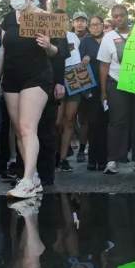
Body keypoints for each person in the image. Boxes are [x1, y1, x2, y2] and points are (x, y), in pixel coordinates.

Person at [0, 0, 65, 198]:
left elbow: (59, 52)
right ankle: (32, 176)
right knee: (18, 129)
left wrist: (49, 46)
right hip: (11, 77)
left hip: (36, 76)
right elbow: (3, 51)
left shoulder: (45, 18)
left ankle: (27, 179)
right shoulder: (8, 18)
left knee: (28, 127)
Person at [98, 4, 135, 174]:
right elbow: (104, 65)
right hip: (116, 82)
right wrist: (104, 91)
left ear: (128, 15)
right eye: (115, 16)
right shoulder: (108, 38)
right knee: (117, 121)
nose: (118, 19)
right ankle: (114, 159)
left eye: (121, 15)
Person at [80, 14, 108, 170]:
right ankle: (92, 158)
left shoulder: (108, 39)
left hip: (108, 85)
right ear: (89, 28)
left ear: (103, 25)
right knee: (93, 123)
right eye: (92, 25)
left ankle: (103, 158)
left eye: (98, 24)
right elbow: (78, 64)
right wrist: (84, 59)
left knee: (105, 123)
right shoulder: (85, 42)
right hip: (90, 86)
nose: (96, 27)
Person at [56, 12, 83, 173]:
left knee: (70, 120)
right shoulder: (49, 36)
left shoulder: (74, 37)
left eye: (64, 19)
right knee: (57, 122)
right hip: (58, 77)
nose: (61, 22)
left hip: (75, 76)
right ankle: (54, 152)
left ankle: (63, 159)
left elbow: (78, 56)